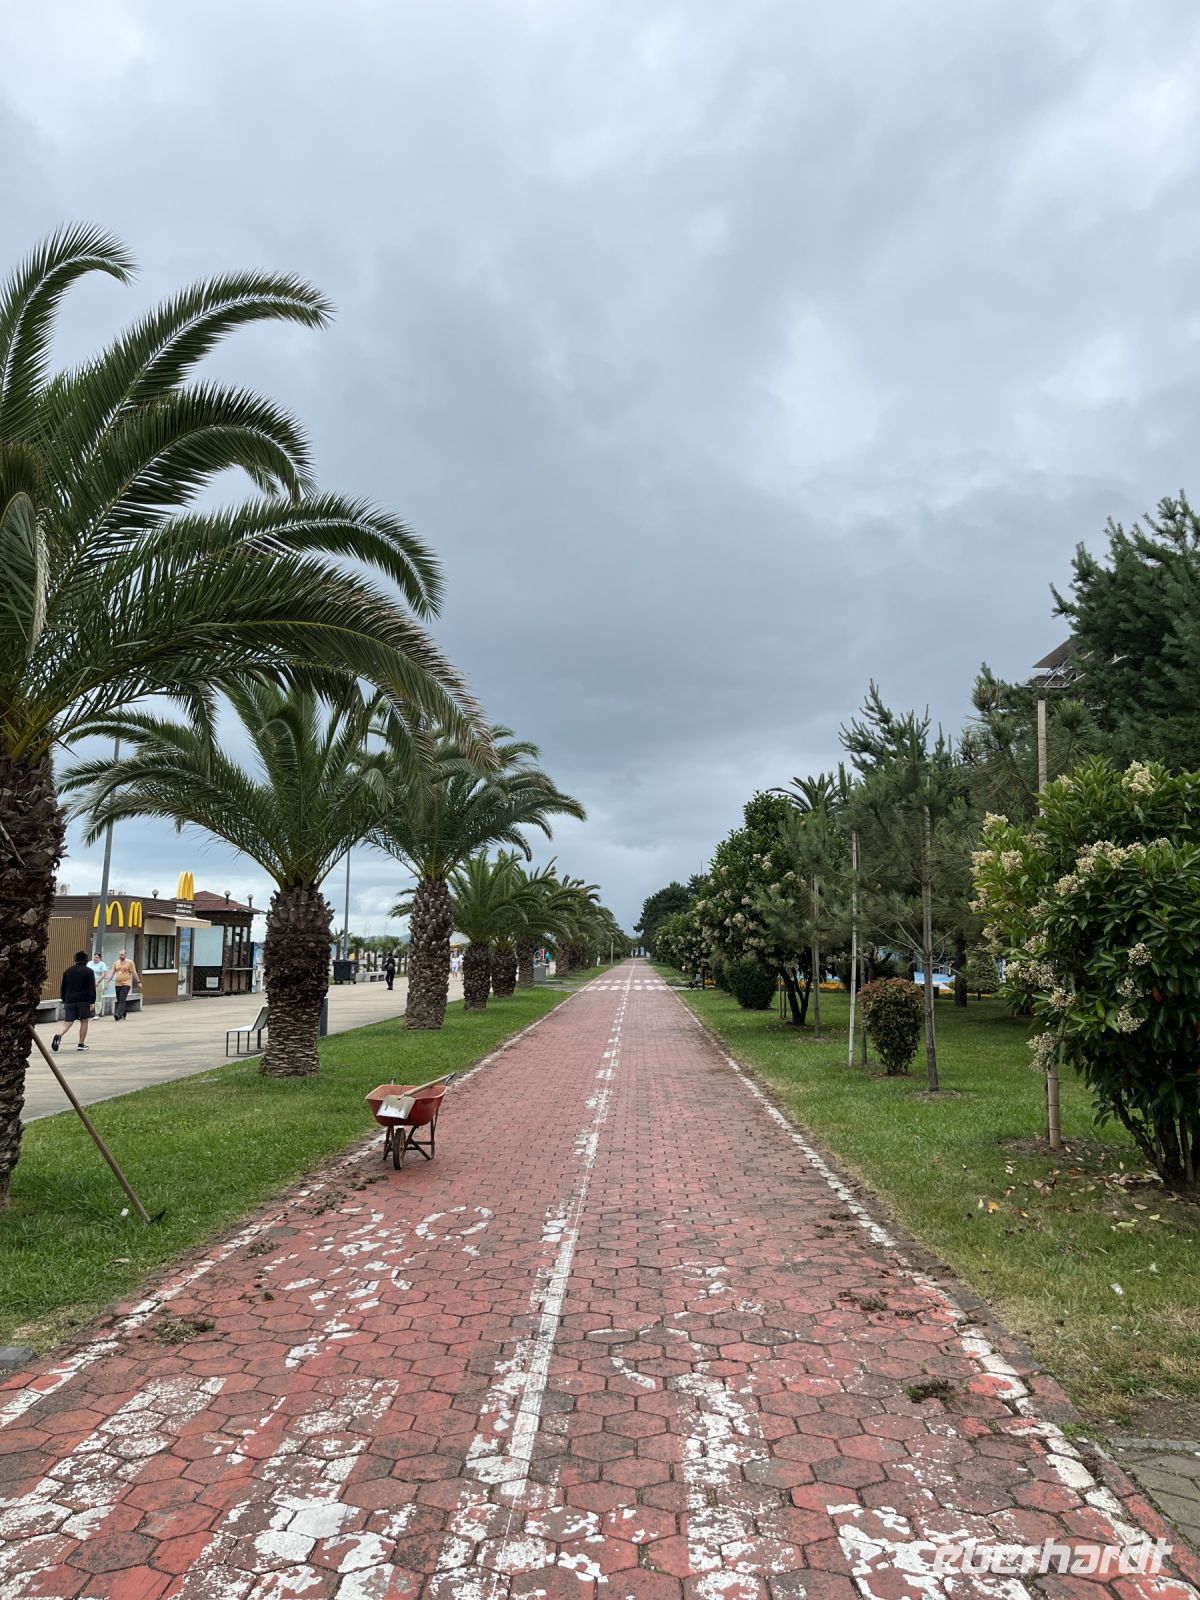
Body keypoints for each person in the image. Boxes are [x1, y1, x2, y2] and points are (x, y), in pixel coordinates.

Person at [53, 951, 96, 1052]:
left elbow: (63, 987)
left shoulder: (67, 971)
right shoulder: (89, 971)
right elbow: (92, 988)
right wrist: (92, 1001)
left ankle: (58, 1035)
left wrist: (64, 1000)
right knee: (84, 1021)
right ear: (86, 960)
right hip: (84, 1000)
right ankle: (81, 1044)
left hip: (70, 1000)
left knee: (67, 1022)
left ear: (75, 960)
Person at [110, 948, 140, 1020]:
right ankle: (123, 1013)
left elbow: (134, 972)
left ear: (125, 955)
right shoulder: (116, 963)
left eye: (122, 955)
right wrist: (108, 981)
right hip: (118, 983)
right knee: (119, 999)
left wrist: (138, 981)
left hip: (126, 983)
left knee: (122, 998)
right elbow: (112, 972)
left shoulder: (130, 962)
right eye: (119, 955)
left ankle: (117, 1014)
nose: (120, 956)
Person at [87, 948, 109, 1016]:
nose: (94, 958)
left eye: (96, 957)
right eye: (94, 957)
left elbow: (103, 974)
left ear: (100, 958)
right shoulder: (89, 963)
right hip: (89, 982)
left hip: (98, 982)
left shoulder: (102, 964)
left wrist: (98, 981)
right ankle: (87, 1013)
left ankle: (97, 1014)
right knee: (88, 997)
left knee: (97, 998)